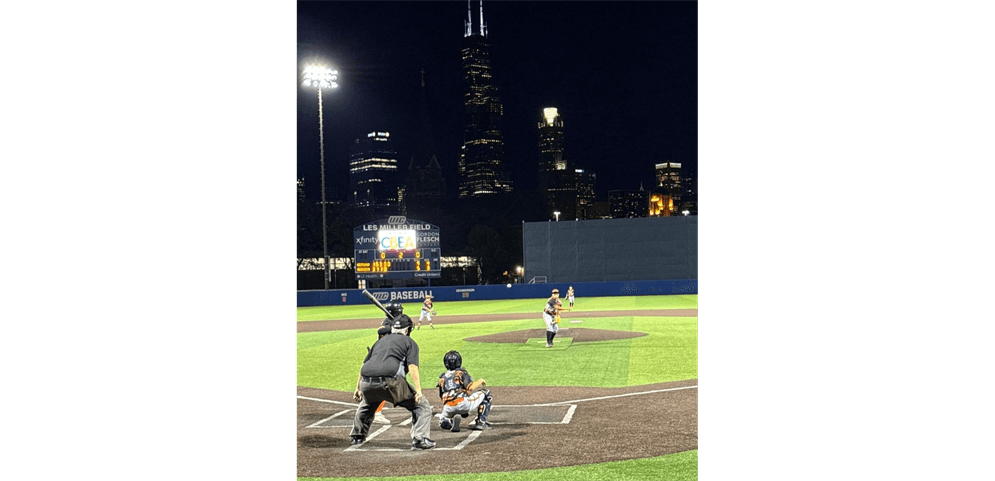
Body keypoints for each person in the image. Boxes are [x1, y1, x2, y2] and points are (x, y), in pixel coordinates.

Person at [349, 313, 435, 450]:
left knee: (368, 402)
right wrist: (418, 390)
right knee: (422, 406)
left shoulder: (378, 342)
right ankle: (420, 439)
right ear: (407, 330)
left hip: (366, 382)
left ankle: (357, 435)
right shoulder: (410, 342)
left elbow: (363, 365)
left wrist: (358, 388)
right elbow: (412, 367)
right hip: (390, 383)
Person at [435, 350, 493, 432]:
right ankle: (481, 422)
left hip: (448, 408)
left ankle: (447, 421)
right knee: (486, 393)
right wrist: (480, 380)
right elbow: (470, 387)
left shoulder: (442, 378)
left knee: (445, 415)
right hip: (463, 404)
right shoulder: (461, 373)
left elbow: (442, 397)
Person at [371, 303, 404, 424]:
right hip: (383, 356)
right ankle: (376, 412)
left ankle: (372, 409)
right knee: (385, 385)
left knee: (390, 384)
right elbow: (381, 331)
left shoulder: (398, 321)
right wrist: (392, 327)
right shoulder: (386, 323)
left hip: (391, 356)